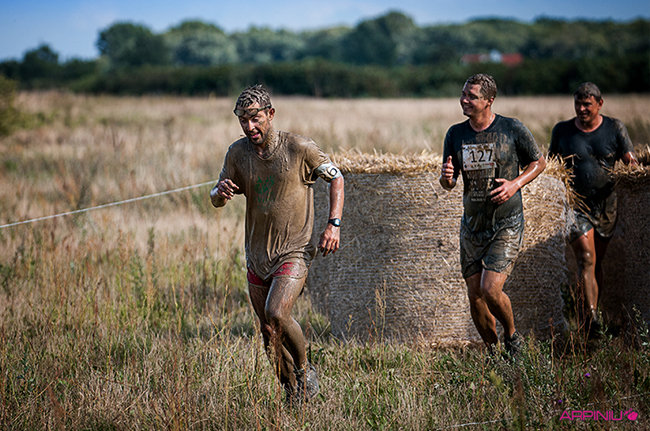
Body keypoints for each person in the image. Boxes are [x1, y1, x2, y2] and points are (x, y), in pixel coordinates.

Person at [210, 84, 344, 403]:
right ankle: (292, 394)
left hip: (294, 250)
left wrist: (333, 224)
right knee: (268, 332)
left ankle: (304, 370)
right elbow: (216, 197)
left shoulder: (300, 148)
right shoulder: (237, 153)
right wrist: (219, 192)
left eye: (255, 118)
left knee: (277, 313)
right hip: (257, 255)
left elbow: (337, 177)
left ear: (270, 114)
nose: (249, 126)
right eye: (243, 120)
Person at [440, 74, 546, 357]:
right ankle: (493, 354)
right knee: (475, 294)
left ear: (489, 100)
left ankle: (512, 338)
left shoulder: (512, 128)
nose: (464, 100)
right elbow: (449, 182)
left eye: (472, 96)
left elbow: (539, 162)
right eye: (463, 94)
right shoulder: (455, 134)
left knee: (490, 289)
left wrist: (515, 184)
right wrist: (447, 178)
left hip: (506, 223)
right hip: (472, 225)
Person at [548, 82, 637, 338]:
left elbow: (629, 161)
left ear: (600, 104)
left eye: (587, 104)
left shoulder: (615, 128)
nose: (581, 109)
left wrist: (636, 167)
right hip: (576, 206)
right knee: (586, 258)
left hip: (606, 207)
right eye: (578, 103)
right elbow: (552, 166)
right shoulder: (562, 131)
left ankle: (591, 321)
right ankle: (591, 320)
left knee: (596, 264)